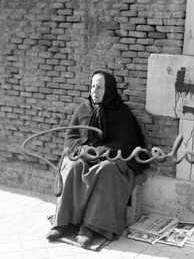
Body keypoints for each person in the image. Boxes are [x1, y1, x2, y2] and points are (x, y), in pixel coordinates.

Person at [45, 70, 149, 247]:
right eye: (92, 86)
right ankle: (62, 221)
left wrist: (100, 152)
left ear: (108, 89)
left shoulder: (122, 112)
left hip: (112, 161)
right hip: (86, 157)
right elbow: (71, 139)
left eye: (99, 87)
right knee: (72, 166)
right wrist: (83, 150)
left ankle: (90, 227)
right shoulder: (84, 109)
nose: (94, 90)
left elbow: (126, 145)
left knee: (105, 170)